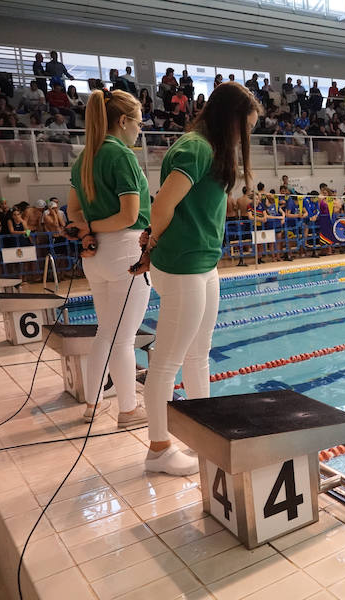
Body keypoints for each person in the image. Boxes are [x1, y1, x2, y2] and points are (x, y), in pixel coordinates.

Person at [132, 82, 263, 475]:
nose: (248, 137)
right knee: (167, 362)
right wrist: (149, 247)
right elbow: (164, 203)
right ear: (230, 119)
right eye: (247, 127)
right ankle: (158, 449)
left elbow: (198, 201)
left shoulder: (212, 150)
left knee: (197, 355)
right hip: (184, 264)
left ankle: (201, 433)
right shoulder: (196, 148)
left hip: (204, 263)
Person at [66, 88, 152, 427]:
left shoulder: (84, 158)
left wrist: (88, 231)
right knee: (124, 338)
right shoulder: (121, 156)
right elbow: (130, 215)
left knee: (105, 331)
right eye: (139, 123)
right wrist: (95, 228)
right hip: (125, 252)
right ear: (122, 120)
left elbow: (72, 211)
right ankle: (128, 411)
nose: (140, 130)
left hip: (94, 254)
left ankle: (91, 404)